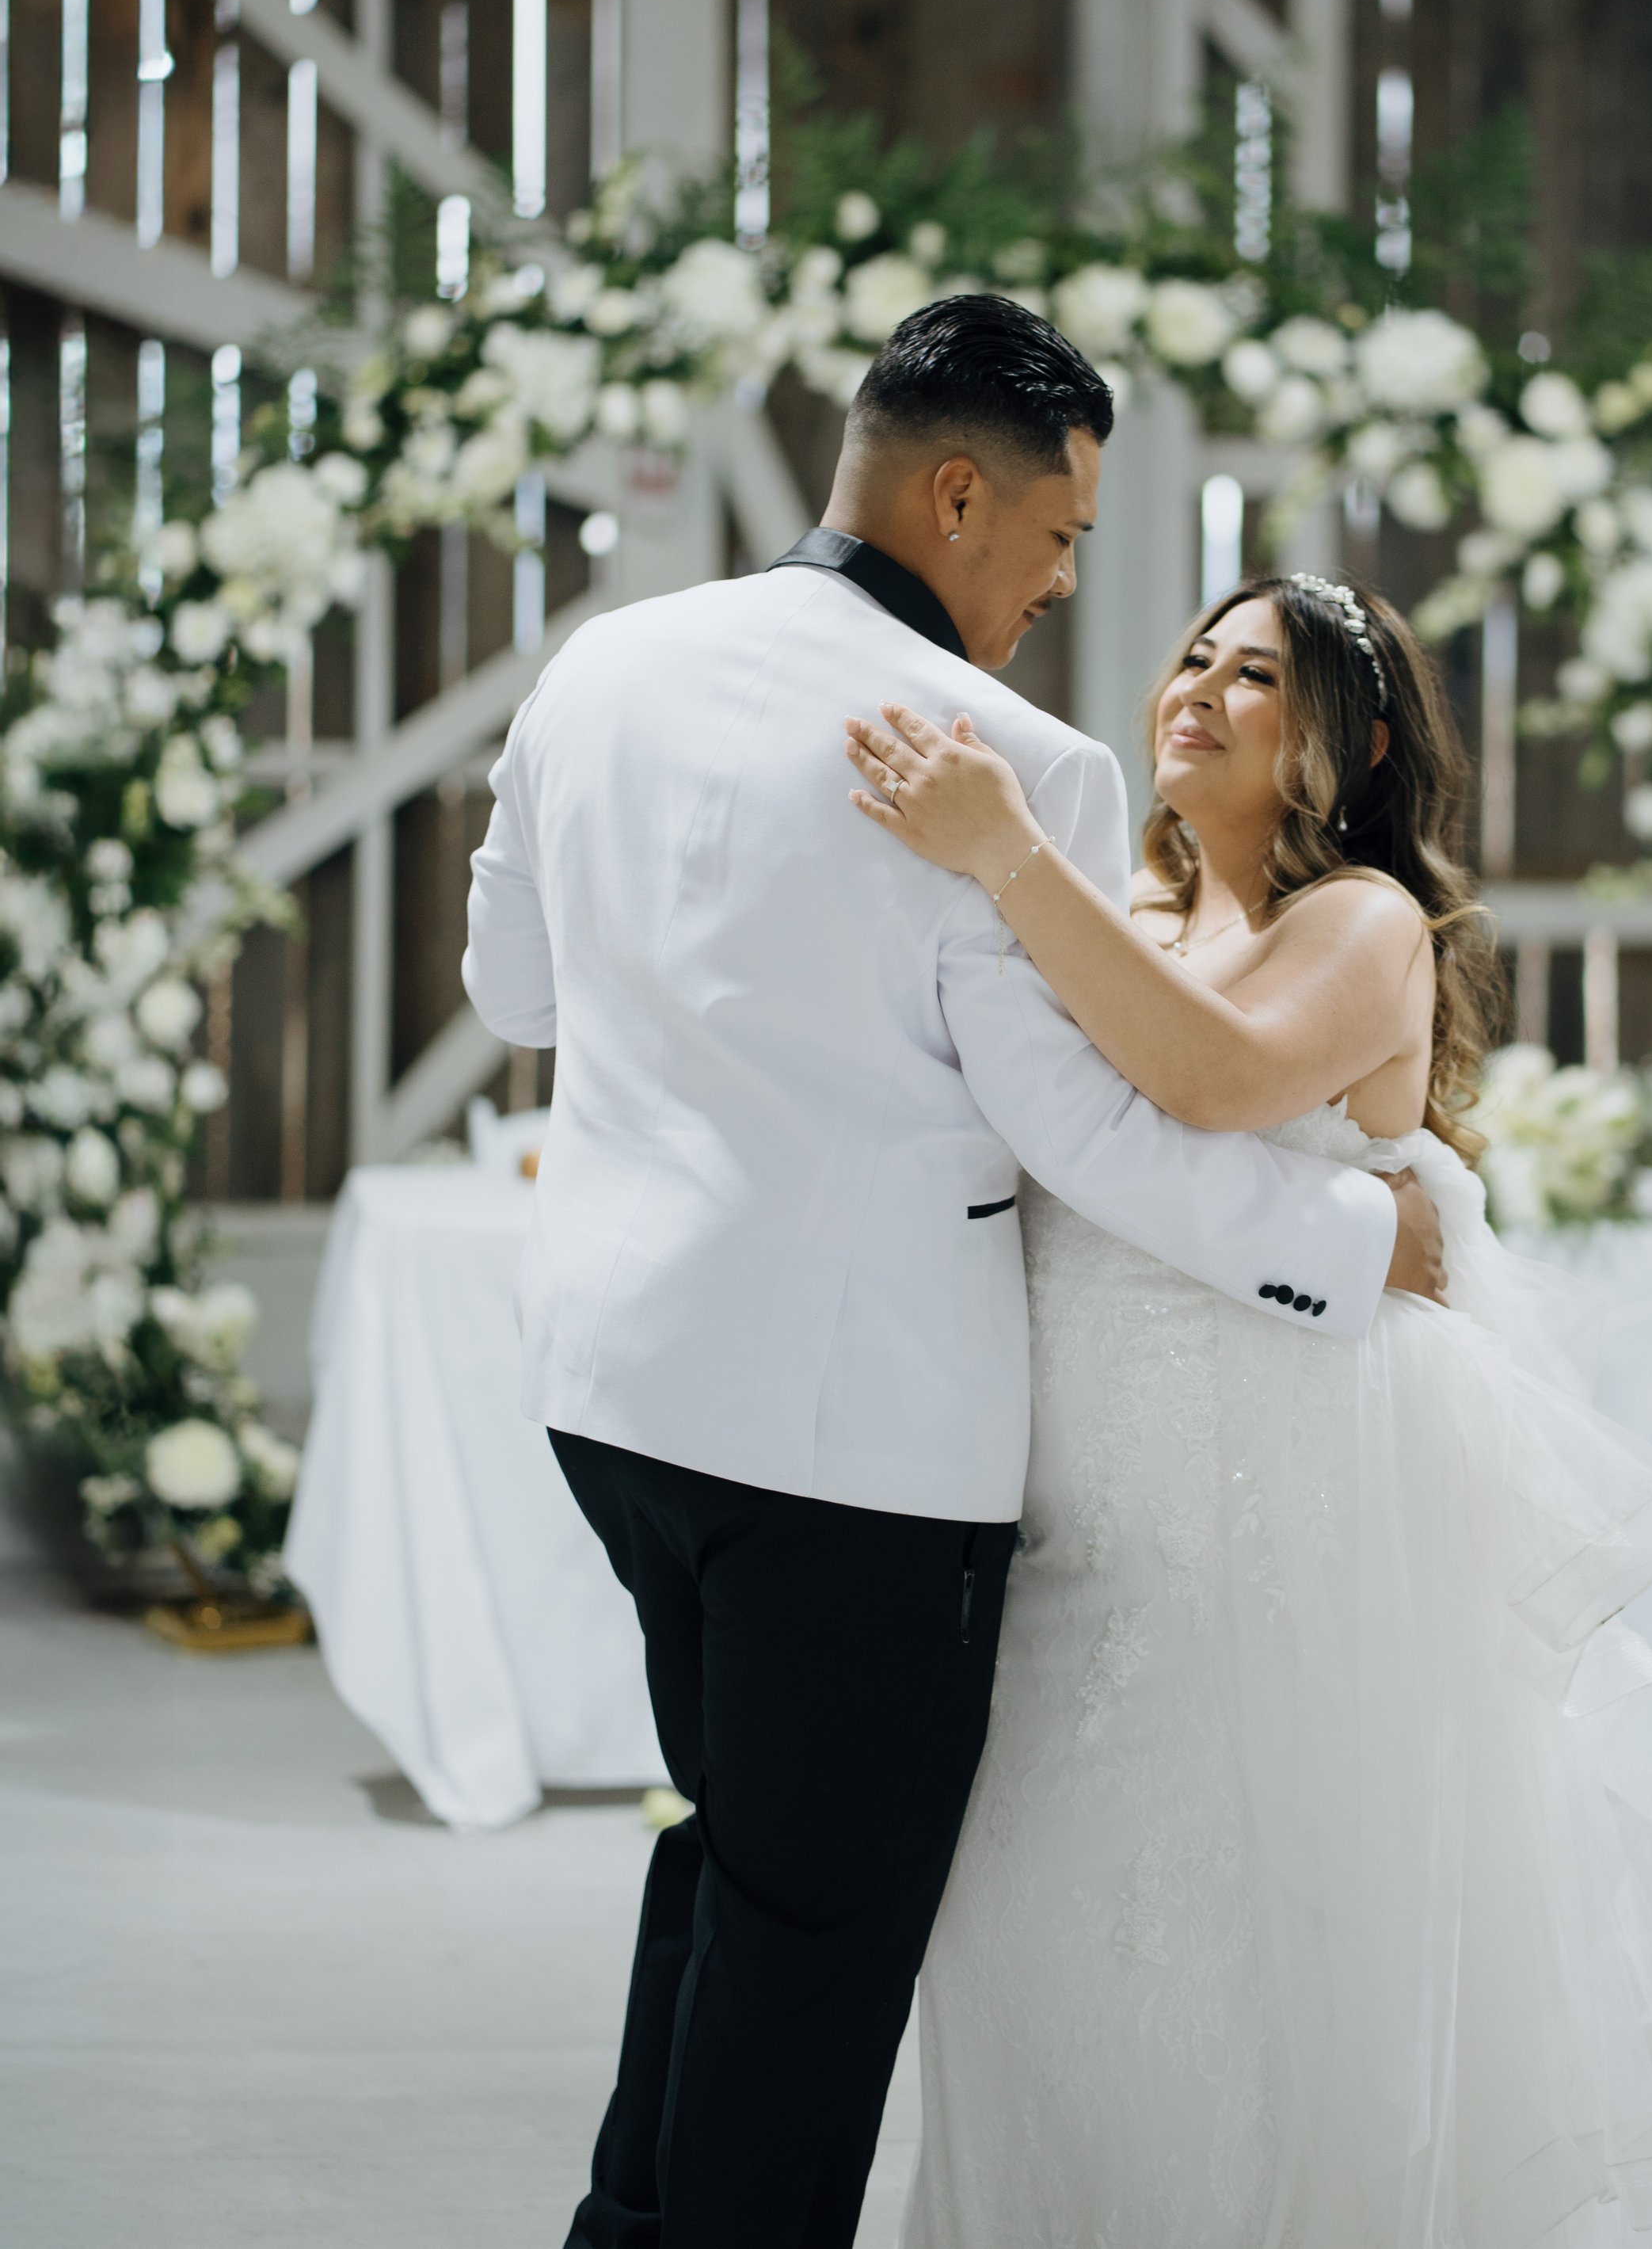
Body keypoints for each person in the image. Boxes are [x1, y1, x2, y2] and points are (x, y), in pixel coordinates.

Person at [461, 295, 1446, 2249]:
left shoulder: (604, 662)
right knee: (817, 1939)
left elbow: (514, 988)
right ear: (955, 492)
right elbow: (1088, 1129)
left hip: (615, 1389)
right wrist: (1359, 1237)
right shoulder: (1004, 757)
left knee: (733, 1853)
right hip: (851, 1452)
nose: (1069, 581)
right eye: (1063, 536)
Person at [845, 573, 1652, 2249]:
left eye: (1259, 676)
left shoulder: (1364, 920)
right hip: (1075, 1515)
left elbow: (1216, 1080)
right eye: (1194, 657)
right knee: (1050, 1942)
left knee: (1261, 1948)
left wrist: (1006, 855)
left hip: (1285, 1511)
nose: (1200, 689)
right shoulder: (1116, 913)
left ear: (1352, 741)